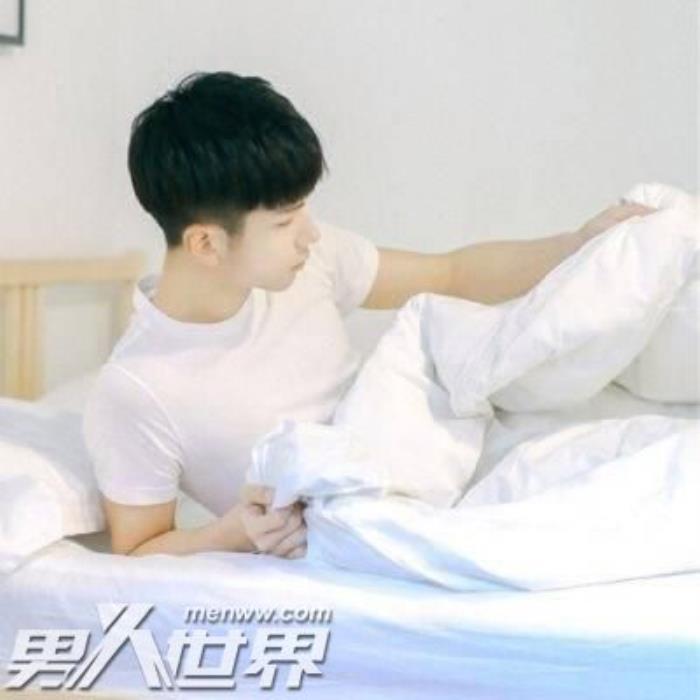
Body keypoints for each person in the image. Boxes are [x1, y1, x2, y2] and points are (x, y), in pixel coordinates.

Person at [83, 71, 655, 560]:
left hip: (441, 462)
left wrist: (579, 245)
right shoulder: (136, 388)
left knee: (644, 461)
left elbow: (450, 274)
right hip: (363, 527)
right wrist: (233, 532)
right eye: (284, 222)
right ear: (206, 243)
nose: (309, 234)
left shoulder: (309, 262)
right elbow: (137, 550)